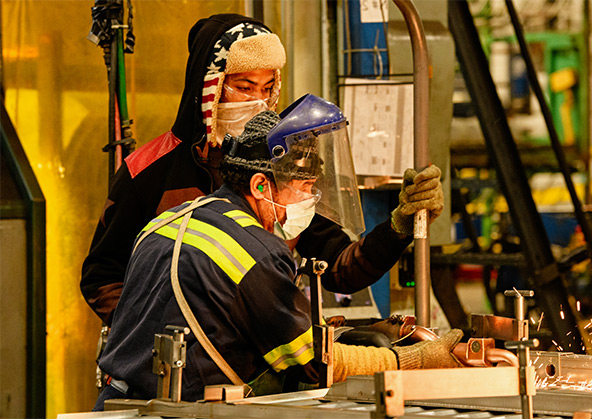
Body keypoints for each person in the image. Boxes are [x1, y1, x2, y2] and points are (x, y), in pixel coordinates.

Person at [93, 99, 461, 409]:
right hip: (177, 413)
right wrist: (417, 360)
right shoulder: (255, 249)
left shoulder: (169, 222)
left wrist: (398, 226)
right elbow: (314, 363)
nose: (308, 201)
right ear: (259, 184)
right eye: (303, 187)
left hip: (115, 405)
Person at [80, 13, 444, 325]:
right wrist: (153, 334)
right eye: (243, 86)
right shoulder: (148, 170)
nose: (257, 101)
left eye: (267, 87)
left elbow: (341, 267)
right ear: (210, 87)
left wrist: (398, 228)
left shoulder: (282, 166)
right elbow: (102, 277)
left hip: (264, 366)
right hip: (172, 372)